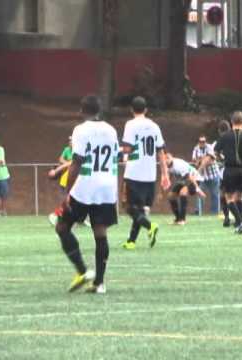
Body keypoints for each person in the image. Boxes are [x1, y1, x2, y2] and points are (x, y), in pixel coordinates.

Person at [55, 95, 119, 294]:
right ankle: (100, 283)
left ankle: (83, 271)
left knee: (62, 226)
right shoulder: (111, 129)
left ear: (82, 111)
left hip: (86, 186)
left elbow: (77, 162)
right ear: (99, 111)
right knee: (100, 232)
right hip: (107, 186)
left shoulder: (80, 130)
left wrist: (67, 192)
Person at [121, 97, 170, 250]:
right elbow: (160, 152)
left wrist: (120, 152)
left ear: (131, 110)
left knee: (128, 207)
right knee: (140, 209)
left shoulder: (130, 124)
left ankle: (150, 225)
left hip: (134, 172)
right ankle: (131, 241)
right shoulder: (154, 126)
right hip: (149, 174)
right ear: (146, 110)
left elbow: (128, 148)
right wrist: (165, 174)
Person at [214, 111, 242, 235]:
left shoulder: (225, 136)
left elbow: (216, 151)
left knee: (229, 198)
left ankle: (240, 221)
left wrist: (222, 159)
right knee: (239, 196)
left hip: (230, 169)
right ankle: (241, 221)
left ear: (231, 122)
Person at [166, 153, 205, 225]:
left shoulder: (178, 165)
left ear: (172, 157)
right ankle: (177, 219)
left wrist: (198, 189)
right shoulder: (167, 166)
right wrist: (163, 190)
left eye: (168, 158)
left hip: (195, 179)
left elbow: (190, 177)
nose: (166, 160)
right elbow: (168, 177)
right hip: (183, 181)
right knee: (171, 196)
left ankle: (183, 220)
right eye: (165, 159)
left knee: (183, 193)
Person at [192, 135, 220, 215]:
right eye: (201, 142)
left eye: (204, 141)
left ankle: (215, 213)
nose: (202, 143)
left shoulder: (210, 147)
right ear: (198, 142)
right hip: (203, 177)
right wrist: (204, 159)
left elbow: (210, 160)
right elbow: (195, 161)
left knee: (215, 194)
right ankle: (198, 212)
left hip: (213, 175)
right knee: (199, 193)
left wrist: (202, 160)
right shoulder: (196, 149)